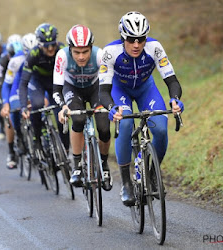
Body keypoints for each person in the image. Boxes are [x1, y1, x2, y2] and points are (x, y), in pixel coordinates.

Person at [98, 11, 184, 206]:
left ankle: (153, 174)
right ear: (123, 38)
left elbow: (171, 80)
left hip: (146, 89)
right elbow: (103, 90)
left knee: (161, 129)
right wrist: (111, 107)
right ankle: (126, 183)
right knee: (126, 123)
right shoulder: (110, 52)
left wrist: (175, 99)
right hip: (120, 90)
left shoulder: (154, 47)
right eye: (131, 39)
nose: (136, 45)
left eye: (141, 39)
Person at [53, 24, 112, 191]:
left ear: (91, 48)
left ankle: (104, 164)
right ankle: (77, 164)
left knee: (104, 128)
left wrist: (110, 105)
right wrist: (63, 107)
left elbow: (108, 84)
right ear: (70, 48)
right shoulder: (62, 56)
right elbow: (57, 90)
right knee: (77, 119)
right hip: (72, 89)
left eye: (85, 52)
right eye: (77, 52)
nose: (81, 56)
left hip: (95, 89)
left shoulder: (100, 55)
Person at [19, 23, 69, 157]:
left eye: (53, 44)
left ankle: (66, 149)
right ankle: (37, 140)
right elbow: (23, 83)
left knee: (62, 116)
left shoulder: (63, 49)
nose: (51, 48)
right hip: (38, 82)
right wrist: (24, 106)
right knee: (37, 105)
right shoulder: (33, 53)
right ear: (40, 44)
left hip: (56, 83)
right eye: (47, 46)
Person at [0, 33, 38, 169]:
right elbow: (7, 83)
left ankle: (44, 140)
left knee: (41, 108)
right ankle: (18, 140)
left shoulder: (43, 55)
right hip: (18, 86)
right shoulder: (16, 60)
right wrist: (6, 103)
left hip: (35, 84)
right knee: (15, 112)